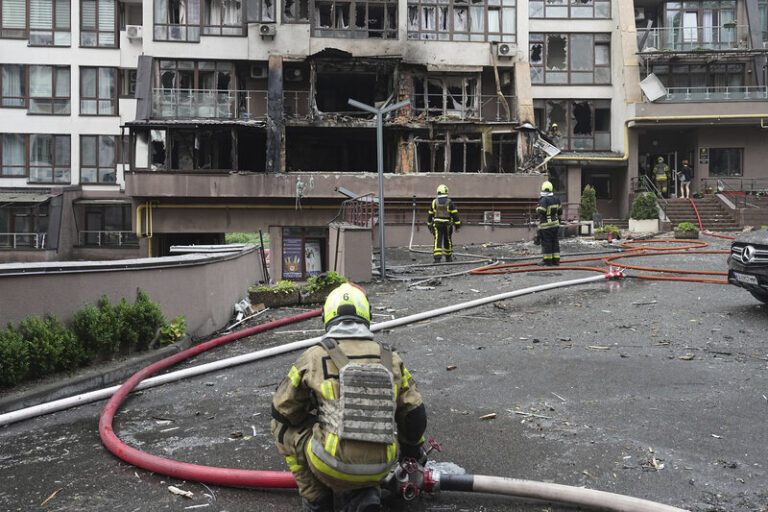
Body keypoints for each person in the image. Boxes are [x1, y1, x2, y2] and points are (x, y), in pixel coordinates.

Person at [271, 283, 427, 512]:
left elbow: (283, 410)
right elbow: (414, 416)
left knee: (280, 428)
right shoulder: (389, 357)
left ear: (327, 317)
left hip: (332, 465)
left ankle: (317, 500)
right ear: (367, 316)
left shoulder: (314, 356)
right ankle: (367, 492)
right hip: (383, 465)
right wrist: (412, 451)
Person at [427, 184, 461, 263]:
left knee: (437, 241)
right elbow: (455, 214)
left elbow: (430, 215)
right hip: (447, 225)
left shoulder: (434, 202)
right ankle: (448, 258)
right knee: (447, 240)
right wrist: (457, 225)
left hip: (437, 224)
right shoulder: (449, 202)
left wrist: (429, 225)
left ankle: (437, 259)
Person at [536, 180, 563, 266]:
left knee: (547, 243)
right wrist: (559, 221)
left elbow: (542, 211)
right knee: (555, 242)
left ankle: (547, 261)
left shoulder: (544, 200)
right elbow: (560, 212)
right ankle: (556, 261)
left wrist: (537, 209)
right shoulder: (556, 199)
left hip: (546, 226)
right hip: (555, 225)